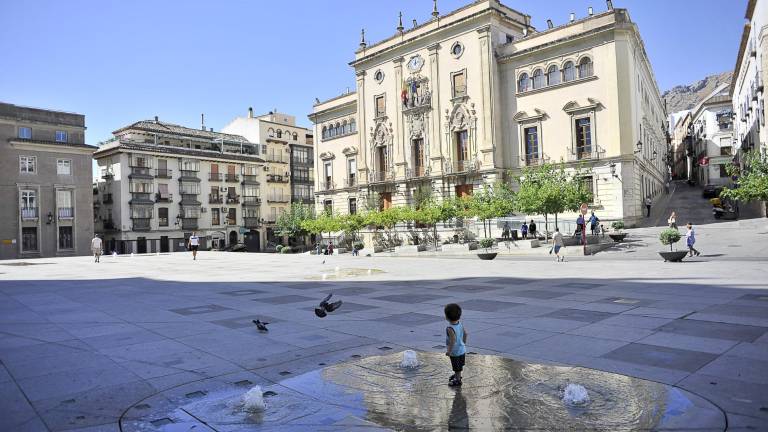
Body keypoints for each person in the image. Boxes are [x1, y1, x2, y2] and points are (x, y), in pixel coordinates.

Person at [444, 303, 468, 387]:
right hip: (462, 349)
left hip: (455, 351)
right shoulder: (460, 324)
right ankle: (458, 375)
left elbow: (453, 340)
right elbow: (466, 333)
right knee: (459, 364)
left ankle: (457, 380)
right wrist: (463, 343)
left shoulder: (450, 328)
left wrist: (449, 351)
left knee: (456, 366)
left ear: (446, 317)